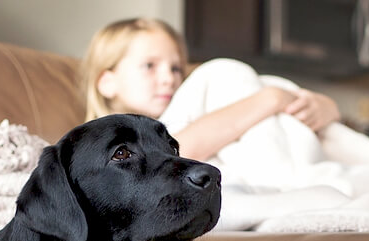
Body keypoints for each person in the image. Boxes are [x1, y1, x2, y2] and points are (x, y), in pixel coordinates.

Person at [79, 18, 340, 165]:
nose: (168, 78)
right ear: (107, 82)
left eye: (176, 68)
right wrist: (270, 99)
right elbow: (176, 150)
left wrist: (327, 107)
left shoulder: (190, 104)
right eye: (149, 66)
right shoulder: (103, 148)